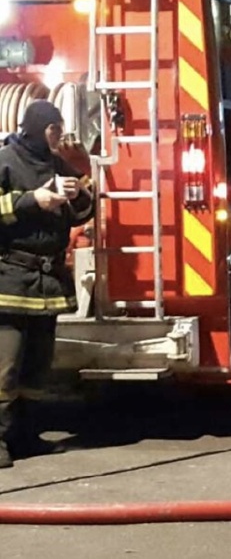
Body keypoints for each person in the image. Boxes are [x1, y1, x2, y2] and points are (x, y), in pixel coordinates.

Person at [0, 100, 94, 468]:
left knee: (36, 367)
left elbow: (84, 212)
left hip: (46, 283)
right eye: (55, 129)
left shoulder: (55, 163)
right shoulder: (5, 161)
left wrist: (77, 194)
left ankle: (25, 435)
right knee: (5, 367)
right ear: (40, 127)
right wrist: (31, 200)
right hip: (9, 279)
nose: (59, 135)